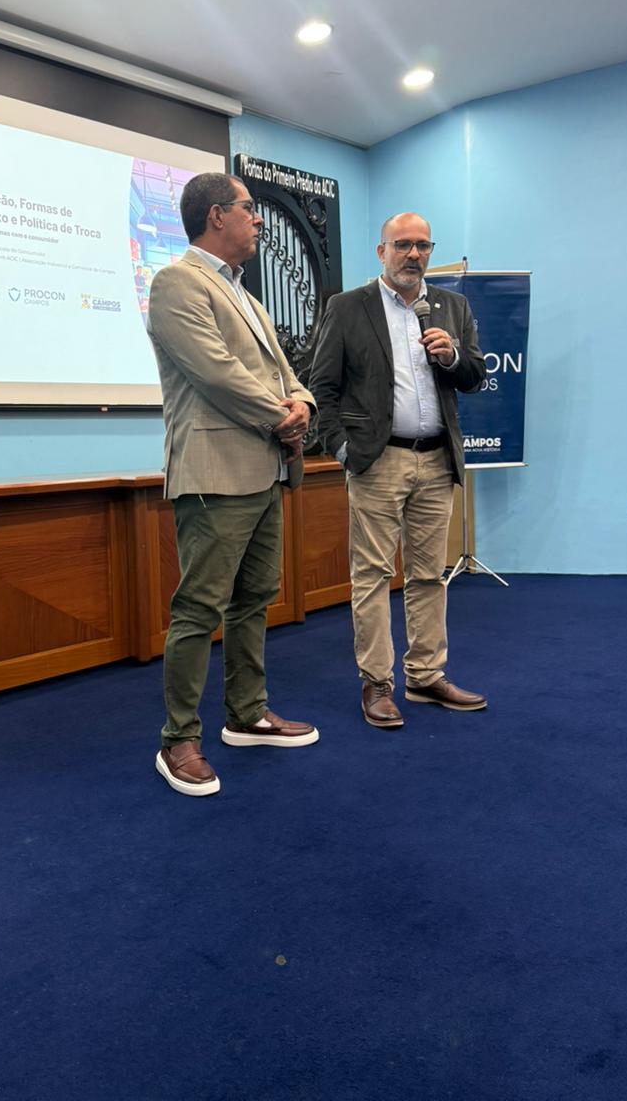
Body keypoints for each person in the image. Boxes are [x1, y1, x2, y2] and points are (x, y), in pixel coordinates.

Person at [147, 172, 319, 796]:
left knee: (255, 597)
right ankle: (178, 739)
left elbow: (284, 373)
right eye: (250, 209)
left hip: (265, 469)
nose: (259, 220)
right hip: (215, 471)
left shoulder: (247, 295)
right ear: (217, 215)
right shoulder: (176, 283)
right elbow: (216, 373)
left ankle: (247, 714)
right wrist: (282, 415)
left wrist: (301, 403)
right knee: (199, 608)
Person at [309, 212, 488, 728]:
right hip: (377, 459)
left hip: (436, 458)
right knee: (372, 576)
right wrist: (342, 450)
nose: (414, 254)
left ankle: (426, 676)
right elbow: (322, 386)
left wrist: (452, 357)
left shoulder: (452, 306)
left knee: (429, 574)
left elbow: (475, 376)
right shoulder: (348, 307)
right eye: (403, 244)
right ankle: (377, 684)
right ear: (381, 251)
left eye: (422, 245)